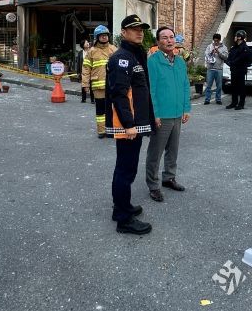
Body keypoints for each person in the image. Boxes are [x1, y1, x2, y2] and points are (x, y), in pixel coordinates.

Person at [107, 14, 155, 235]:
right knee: (125, 171)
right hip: (128, 125)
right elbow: (119, 94)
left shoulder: (134, 55)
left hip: (136, 122)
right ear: (123, 32)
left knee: (127, 168)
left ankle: (122, 207)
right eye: (134, 29)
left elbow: (140, 91)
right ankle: (123, 220)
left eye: (141, 29)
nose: (139, 32)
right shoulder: (122, 58)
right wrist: (128, 124)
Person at [146, 26, 191, 202]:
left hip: (177, 113)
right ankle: (153, 185)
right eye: (164, 37)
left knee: (173, 149)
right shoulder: (153, 61)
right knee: (155, 152)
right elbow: (151, 90)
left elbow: (185, 85)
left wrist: (186, 108)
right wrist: (155, 114)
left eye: (171, 37)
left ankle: (169, 177)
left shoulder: (179, 62)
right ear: (158, 42)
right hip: (162, 115)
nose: (169, 40)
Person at [82, 25, 117, 138]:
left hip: (112, 85)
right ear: (97, 37)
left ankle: (111, 129)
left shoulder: (114, 49)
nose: (104, 37)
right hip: (98, 86)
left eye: (106, 35)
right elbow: (86, 68)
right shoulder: (91, 51)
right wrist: (85, 84)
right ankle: (101, 131)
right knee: (100, 109)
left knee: (112, 109)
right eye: (102, 35)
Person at [226, 30, 252, 111]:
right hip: (233, 69)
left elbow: (242, 59)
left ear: (239, 37)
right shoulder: (234, 47)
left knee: (241, 87)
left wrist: (232, 62)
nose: (234, 37)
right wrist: (229, 62)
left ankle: (241, 104)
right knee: (233, 87)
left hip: (241, 70)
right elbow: (229, 57)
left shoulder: (245, 48)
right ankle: (234, 102)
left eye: (236, 36)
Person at [204, 33, 229, 105]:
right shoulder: (209, 46)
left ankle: (218, 99)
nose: (215, 42)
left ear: (219, 40)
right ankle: (207, 99)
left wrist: (219, 52)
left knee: (219, 86)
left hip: (219, 69)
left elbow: (226, 57)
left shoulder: (224, 47)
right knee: (208, 85)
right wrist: (211, 52)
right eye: (214, 41)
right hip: (210, 68)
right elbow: (206, 55)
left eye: (217, 41)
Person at [76, 39, 95, 103]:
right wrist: (78, 72)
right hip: (83, 71)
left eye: (88, 42)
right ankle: (83, 99)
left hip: (91, 71)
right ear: (83, 45)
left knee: (92, 85)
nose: (87, 43)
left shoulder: (91, 51)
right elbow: (78, 63)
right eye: (86, 42)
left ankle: (92, 99)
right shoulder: (80, 53)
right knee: (84, 84)